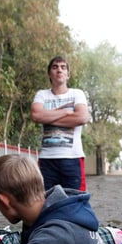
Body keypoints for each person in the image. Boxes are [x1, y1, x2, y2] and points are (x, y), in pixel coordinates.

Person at [30, 56, 90, 192]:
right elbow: (36, 115)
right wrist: (67, 112)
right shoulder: (42, 95)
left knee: (75, 201)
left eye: (63, 67)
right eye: (55, 67)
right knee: (47, 201)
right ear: (49, 74)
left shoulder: (77, 94)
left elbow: (81, 117)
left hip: (72, 158)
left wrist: (48, 117)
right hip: (47, 159)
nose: (59, 70)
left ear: (68, 74)